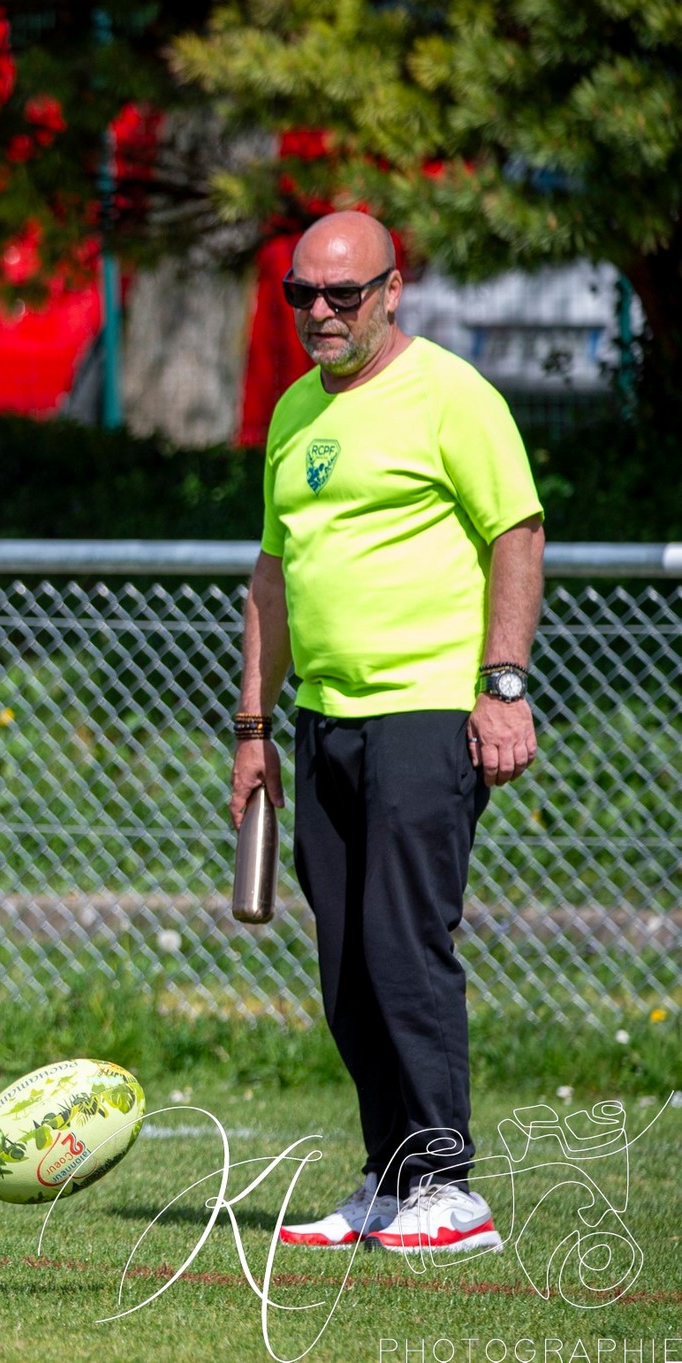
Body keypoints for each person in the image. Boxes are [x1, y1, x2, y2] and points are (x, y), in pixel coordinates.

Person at [230, 210, 543, 1255]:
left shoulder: (450, 393)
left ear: (390, 289)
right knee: (342, 963)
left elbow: (515, 532)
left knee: (398, 944)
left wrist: (500, 684)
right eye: (299, 297)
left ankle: (450, 1191)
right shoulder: (291, 412)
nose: (318, 314)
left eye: (341, 295)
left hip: (423, 710)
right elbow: (271, 573)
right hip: (322, 717)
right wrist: (250, 724)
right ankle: (388, 1175)